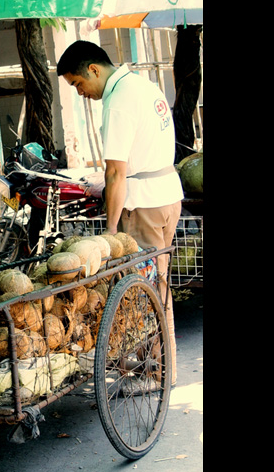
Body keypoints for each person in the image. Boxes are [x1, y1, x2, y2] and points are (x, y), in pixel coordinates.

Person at [57, 40, 183, 385]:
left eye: (78, 84)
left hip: (143, 204)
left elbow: (115, 172)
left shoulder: (118, 101)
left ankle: (157, 372)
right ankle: (162, 367)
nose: (81, 93)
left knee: (142, 289)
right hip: (166, 195)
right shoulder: (143, 85)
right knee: (157, 283)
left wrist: (111, 231)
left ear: (93, 70)